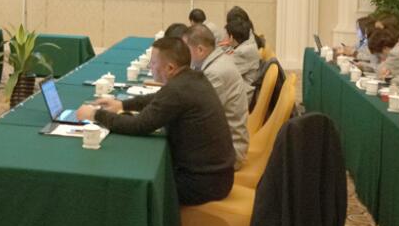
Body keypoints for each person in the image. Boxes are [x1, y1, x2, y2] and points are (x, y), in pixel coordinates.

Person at [75, 36, 235, 206]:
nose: (150, 67)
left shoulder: (178, 90)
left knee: (131, 190)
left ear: (170, 68)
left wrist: (95, 115)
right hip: (216, 176)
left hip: (203, 184)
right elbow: (159, 97)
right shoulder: (191, 79)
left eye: (153, 63)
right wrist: (121, 104)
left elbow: (138, 126)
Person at [183, 24, 249, 168]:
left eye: (186, 50)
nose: (183, 55)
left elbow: (197, 114)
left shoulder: (215, 73)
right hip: (223, 141)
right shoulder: (216, 61)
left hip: (230, 152)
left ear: (200, 50)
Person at [224, 16, 260, 92]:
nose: (224, 37)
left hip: (242, 92)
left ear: (231, 37)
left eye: (226, 34)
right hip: (239, 87)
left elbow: (226, 73)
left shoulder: (243, 52)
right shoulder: (246, 42)